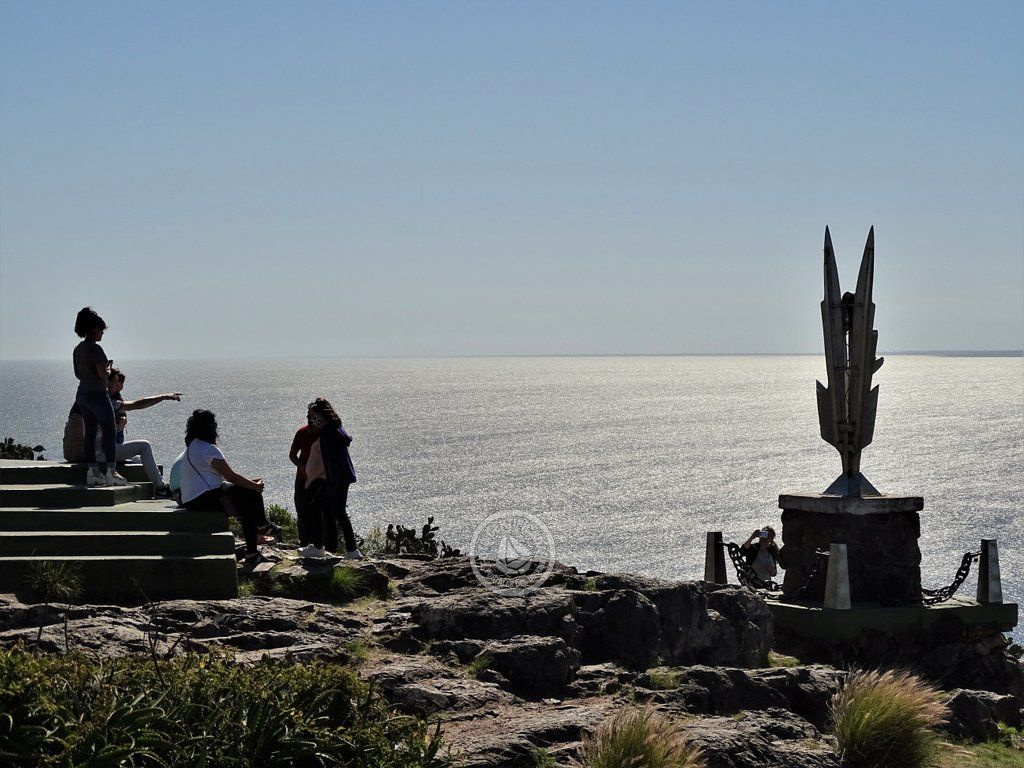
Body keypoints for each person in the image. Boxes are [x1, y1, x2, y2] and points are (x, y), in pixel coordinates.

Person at [178, 409, 280, 565]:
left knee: (247, 501)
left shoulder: (192, 447)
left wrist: (249, 483)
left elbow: (219, 478)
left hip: (191, 499)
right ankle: (262, 526)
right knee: (252, 495)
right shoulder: (209, 449)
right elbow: (230, 476)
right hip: (204, 498)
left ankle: (255, 549)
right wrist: (255, 486)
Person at [297, 398, 361, 560]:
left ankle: (318, 547)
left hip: (331, 478)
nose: (312, 420)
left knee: (316, 506)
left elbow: (327, 460)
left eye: (313, 416)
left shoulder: (327, 434)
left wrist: (313, 479)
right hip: (343, 476)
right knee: (339, 512)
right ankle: (352, 551)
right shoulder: (337, 429)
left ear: (321, 415)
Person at [105, 367, 182, 497]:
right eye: (115, 382)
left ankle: (159, 484)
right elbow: (138, 404)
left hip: (104, 451)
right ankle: (161, 488)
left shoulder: (102, 400)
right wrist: (163, 396)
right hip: (104, 452)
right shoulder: (108, 402)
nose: (118, 386)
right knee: (144, 446)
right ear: (105, 383)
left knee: (138, 460)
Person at [72, 307, 125, 487]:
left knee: (90, 432)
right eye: (101, 329)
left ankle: (92, 472)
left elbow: (78, 374)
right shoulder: (96, 349)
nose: (102, 333)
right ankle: (112, 472)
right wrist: (108, 368)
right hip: (97, 394)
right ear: (93, 329)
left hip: (82, 394)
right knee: (110, 431)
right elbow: (103, 375)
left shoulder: (78, 349)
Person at [288, 408, 319, 546]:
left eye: (312, 416)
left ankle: (319, 544)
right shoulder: (301, 432)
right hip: (302, 478)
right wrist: (301, 466)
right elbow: (292, 455)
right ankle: (304, 544)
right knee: (302, 512)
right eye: (308, 416)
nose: (308, 418)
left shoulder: (324, 434)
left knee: (318, 513)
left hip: (319, 479)